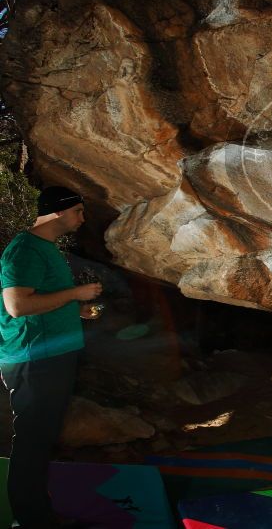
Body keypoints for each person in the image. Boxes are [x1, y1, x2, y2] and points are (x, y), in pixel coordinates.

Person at [0, 186, 102, 529]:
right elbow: (17, 306)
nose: (82, 218)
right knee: (31, 443)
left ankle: (37, 514)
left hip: (51, 355)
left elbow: (42, 301)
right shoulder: (25, 250)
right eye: (78, 212)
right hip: (34, 359)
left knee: (41, 441)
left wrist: (77, 310)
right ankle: (30, 521)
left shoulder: (44, 248)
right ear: (58, 212)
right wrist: (75, 292)